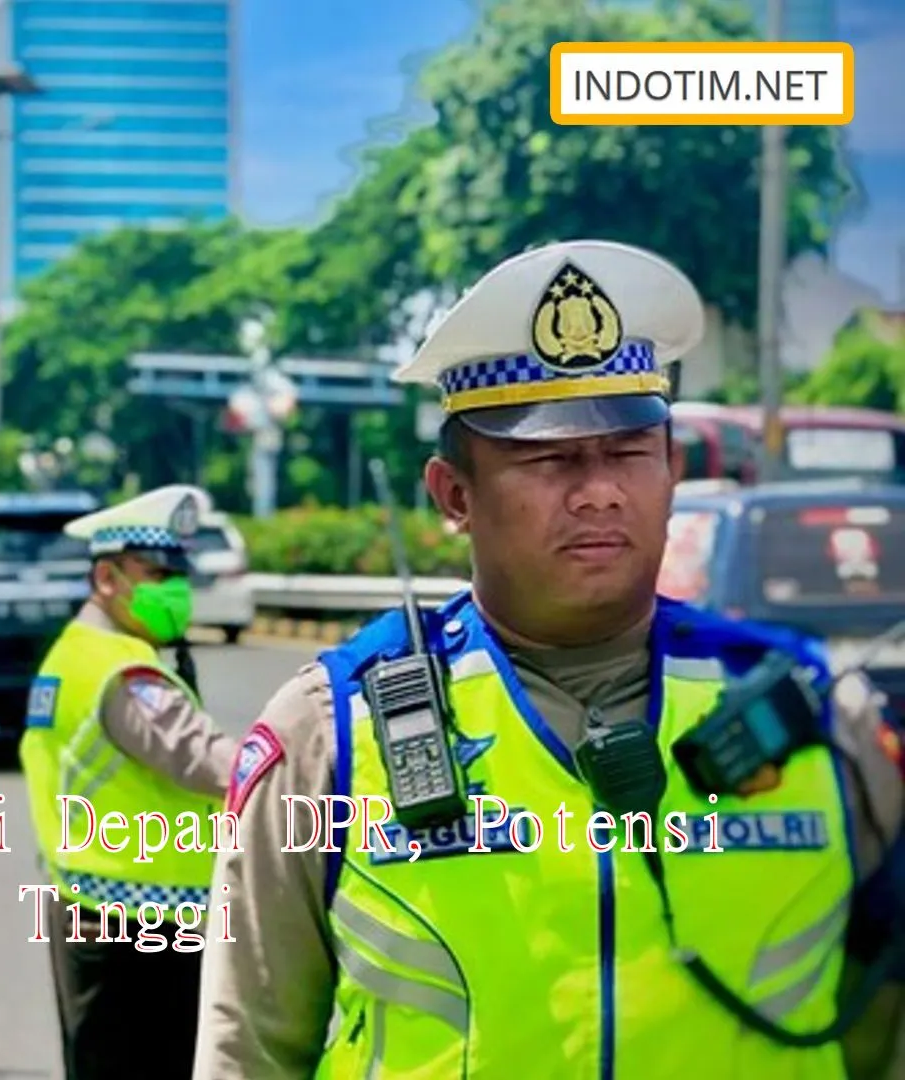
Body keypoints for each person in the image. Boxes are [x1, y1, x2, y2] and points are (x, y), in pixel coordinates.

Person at [194, 240, 905, 1078]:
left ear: (672, 470)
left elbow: (883, 1023)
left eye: (628, 453)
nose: (599, 489)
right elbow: (249, 1050)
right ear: (454, 496)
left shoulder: (819, 715)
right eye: (550, 458)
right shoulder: (327, 735)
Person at [22, 484, 241, 1080]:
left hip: (97, 908)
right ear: (107, 578)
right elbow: (210, 764)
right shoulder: (123, 672)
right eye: (155, 571)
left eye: (178, 573)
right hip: (137, 926)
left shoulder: (77, 653)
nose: (173, 587)